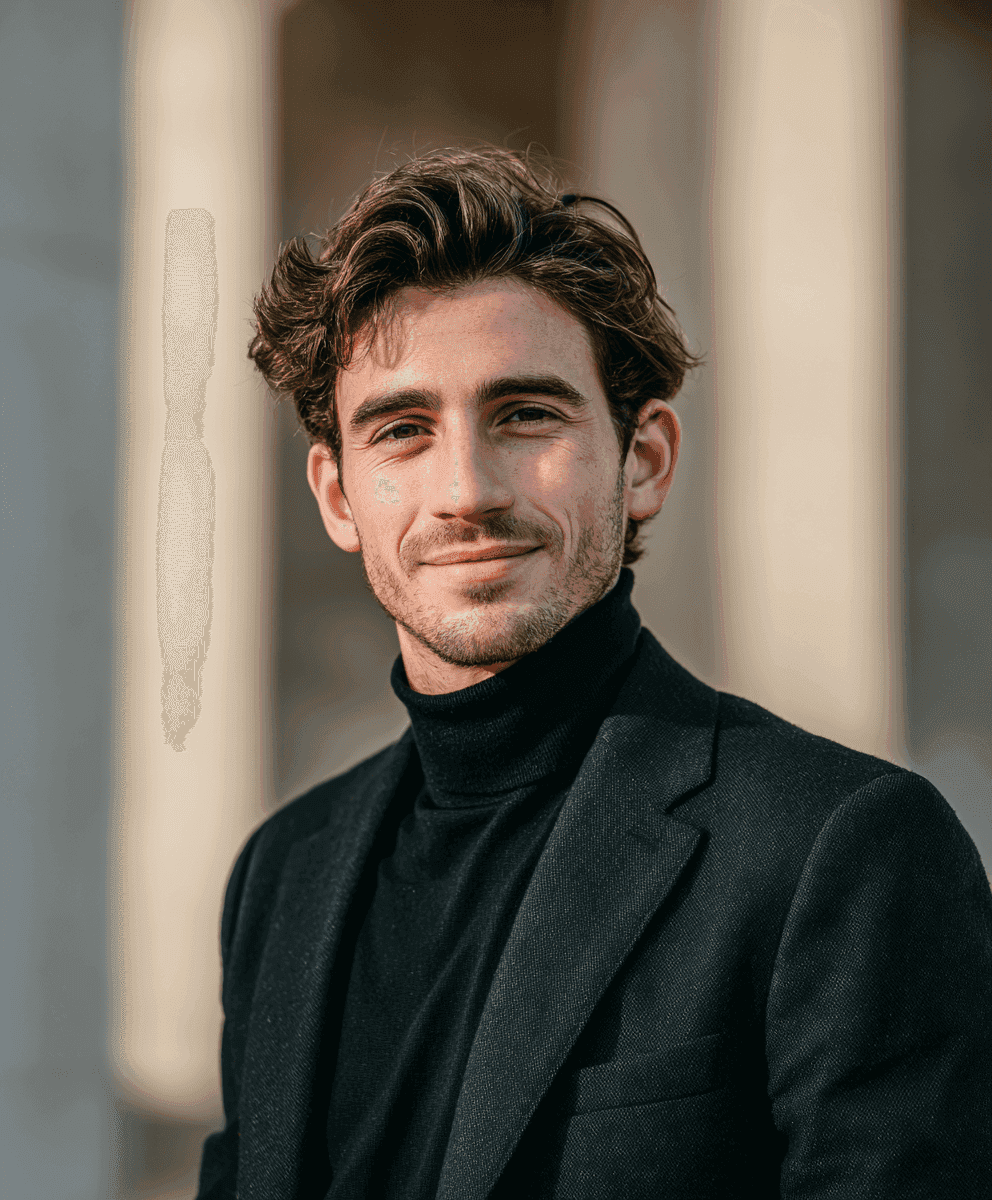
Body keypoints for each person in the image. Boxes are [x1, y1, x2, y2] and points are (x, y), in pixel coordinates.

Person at [195, 148, 991, 1200]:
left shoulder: (840, 850)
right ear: (338, 496)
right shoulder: (280, 873)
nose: (465, 491)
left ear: (644, 459)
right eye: (401, 430)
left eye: (525, 415)